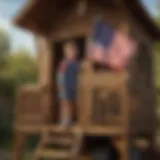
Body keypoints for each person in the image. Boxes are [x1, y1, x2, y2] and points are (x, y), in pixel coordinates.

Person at [57, 40, 79, 126]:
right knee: (65, 104)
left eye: (74, 50)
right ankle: (64, 121)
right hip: (65, 87)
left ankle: (71, 120)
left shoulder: (76, 64)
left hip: (74, 87)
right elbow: (61, 75)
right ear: (66, 52)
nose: (73, 52)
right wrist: (61, 86)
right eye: (70, 50)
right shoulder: (65, 63)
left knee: (72, 105)